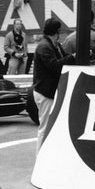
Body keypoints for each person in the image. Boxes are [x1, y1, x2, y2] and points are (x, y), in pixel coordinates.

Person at [33, 18, 75, 155]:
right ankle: (40, 157)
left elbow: (64, 57)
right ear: (56, 32)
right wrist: (73, 57)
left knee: (50, 126)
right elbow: (55, 66)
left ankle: (48, 154)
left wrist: (72, 57)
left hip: (48, 90)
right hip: (45, 92)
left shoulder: (54, 44)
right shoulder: (44, 47)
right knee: (44, 127)